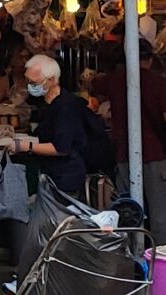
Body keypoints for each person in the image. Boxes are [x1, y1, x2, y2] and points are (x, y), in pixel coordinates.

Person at [105, 41, 166, 249]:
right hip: (155, 154)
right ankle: (160, 257)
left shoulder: (114, 81)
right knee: (160, 212)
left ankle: (129, 255)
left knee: (127, 211)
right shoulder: (159, 82)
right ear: (150, 59)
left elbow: (90, 84)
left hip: (123, 154)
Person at [9, 53, 99, 207]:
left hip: (66, 177)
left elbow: (61, 147)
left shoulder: (65, 107)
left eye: (34, 82)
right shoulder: (47, 104)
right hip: (52, 175)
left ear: (51, 80)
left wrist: (26, 146)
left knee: (61, 221)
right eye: (28, 81)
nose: (29, 86)